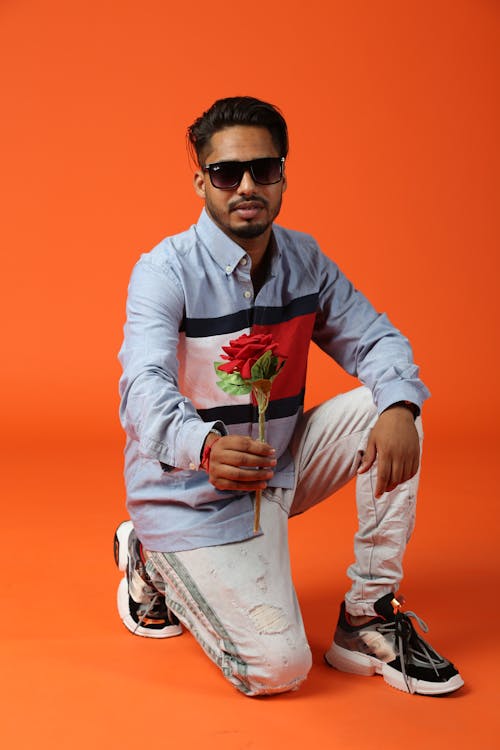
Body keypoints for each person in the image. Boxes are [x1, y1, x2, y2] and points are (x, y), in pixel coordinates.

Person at [114, 96, 463, 697]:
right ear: (201, 180)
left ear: (282, 174)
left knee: (391, 407)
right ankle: (150, 559)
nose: (246, 185)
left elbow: (375, 337)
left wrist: (401, 404)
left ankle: (366, 616)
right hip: (192, 496)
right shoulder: (164, 270)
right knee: (277, 669)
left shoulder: (306, 259)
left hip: (275, 471)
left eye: (264, 169)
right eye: (227, 172)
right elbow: (142, 386)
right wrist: (203, 446)